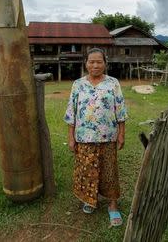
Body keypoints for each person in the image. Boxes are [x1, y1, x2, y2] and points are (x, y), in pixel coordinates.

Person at [64, 48, 128, 227]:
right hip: (84, 136)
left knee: (109, 171)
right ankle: (89, 200)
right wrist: (71, 137)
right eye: (91, 61)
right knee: (87, 170)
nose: (95, 65)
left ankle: (112, 204)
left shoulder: (113, 83)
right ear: (86, 63)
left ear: (105, 63)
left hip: (108, 136)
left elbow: (120, 111)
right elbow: (72, 112)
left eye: (99, 61)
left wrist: (121, 134)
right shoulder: (78, 84)